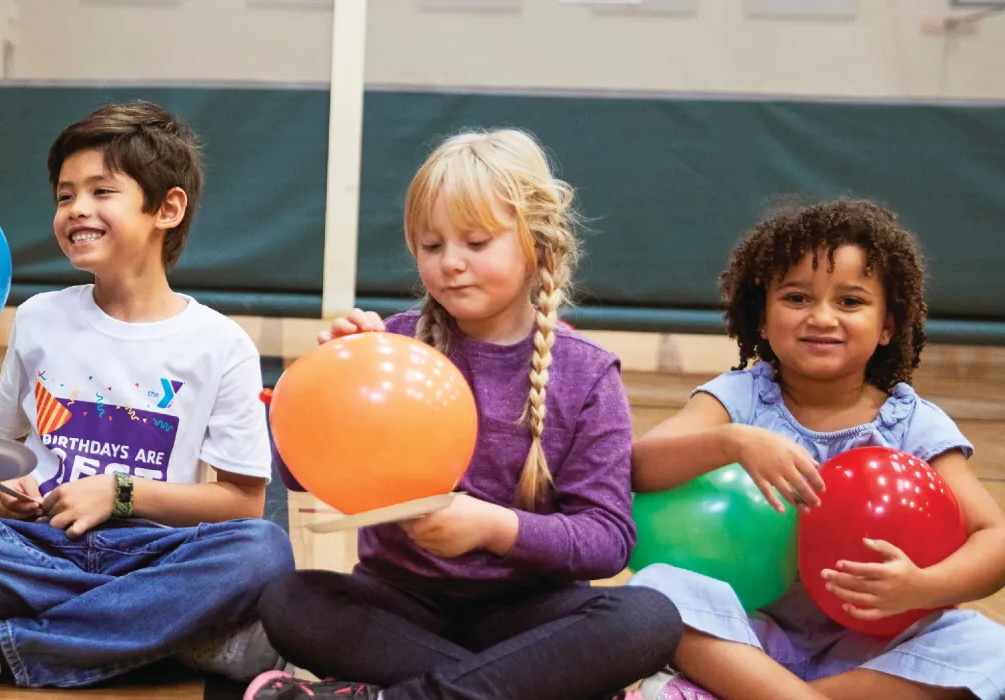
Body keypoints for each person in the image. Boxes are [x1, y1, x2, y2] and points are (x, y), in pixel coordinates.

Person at [248, 129, 680, 700]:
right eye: (432, 246)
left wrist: (494, 528)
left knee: (650, 618)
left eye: (476, 243)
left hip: (531, 615)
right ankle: (516, 688)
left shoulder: (587, 373)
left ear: (539, 245)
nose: (451, 263)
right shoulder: (392, 345)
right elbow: (300, 478)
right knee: (289, 601)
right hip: (400, 609)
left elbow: (607, 540)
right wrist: (327, 384)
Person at [0, 101, 295, 688]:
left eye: (100, 191)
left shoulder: (221, 344)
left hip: (157, 555)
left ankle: (0, 650)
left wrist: (122, 493)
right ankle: (178, 635)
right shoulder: (37, 319)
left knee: (261, 552)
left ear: (167, 207)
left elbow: (241, 503)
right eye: (64, 195)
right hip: (43, 547)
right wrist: (8, 489)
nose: (76, 209)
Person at [628, 199, 1005, 700]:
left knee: (988, 648)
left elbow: (994, 538)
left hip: (873, 651)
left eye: (850, 302)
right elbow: (637, 466)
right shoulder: (739, 399)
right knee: (654, 590)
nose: (822, 317)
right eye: (797, 298)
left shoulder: (912, 422)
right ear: (761, 319)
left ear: (888, 325)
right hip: (747, 639)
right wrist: (731, 442)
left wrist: (923, 587)